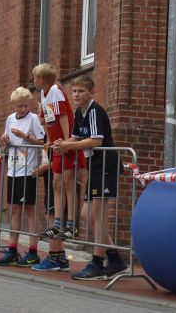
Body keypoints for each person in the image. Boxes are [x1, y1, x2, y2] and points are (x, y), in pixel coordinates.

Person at [53, 75, 128, 280]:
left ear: (91, 93)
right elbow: (76, 137)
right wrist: (62, 143)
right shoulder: (79, 112)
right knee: (88, 214)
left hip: (105, 165)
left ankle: (97, 262)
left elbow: (95, 141)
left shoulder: (94, 111)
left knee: (98, 214)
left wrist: (68, 146)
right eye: (74, 91)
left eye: (81, 91)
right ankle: (115, 259)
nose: (76, 95)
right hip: (94, 166)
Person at [32, 63, 80, 272]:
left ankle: (69, 224)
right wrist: (49, 140)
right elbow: (49, 122)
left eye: (35, 77)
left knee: (65, 183)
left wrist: (67, 141)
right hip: (56, 144)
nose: (33, 80)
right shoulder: (44, 95)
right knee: (56, 183)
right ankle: (59, 224)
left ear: (41, 79)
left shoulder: (55, 91)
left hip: (64, 144)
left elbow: (64, 118)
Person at [0, 86, 46, 267]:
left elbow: (42, 142)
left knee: (30, 210)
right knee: (14, 209)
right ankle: (12, 249)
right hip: (13, 168)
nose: (23, 109)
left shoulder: (33, 119)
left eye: (25, 105)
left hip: (27, 169)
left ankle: (33, 251)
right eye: (19, 106)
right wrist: (6, 140)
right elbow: (9, 142)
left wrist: (25, 136)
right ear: (13, 105)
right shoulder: (10, 119)